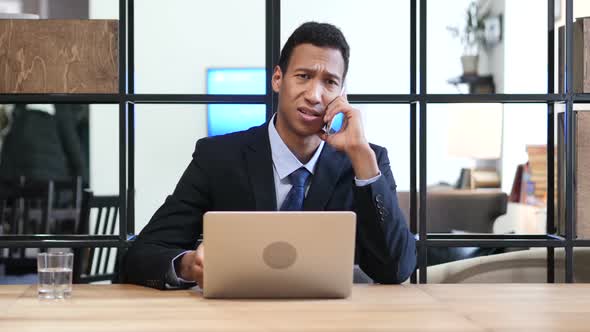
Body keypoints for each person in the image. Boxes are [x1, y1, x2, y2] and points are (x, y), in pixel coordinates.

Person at [125, 22, 416, 290]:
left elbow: (396, 269)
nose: (315, 95)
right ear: (278, 78)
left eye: (329, 82)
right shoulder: (218, 158)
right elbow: (141, 255)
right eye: (303, 76)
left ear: (342, 93)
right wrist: (188, 265)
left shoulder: (366, 160)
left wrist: (363, 161)